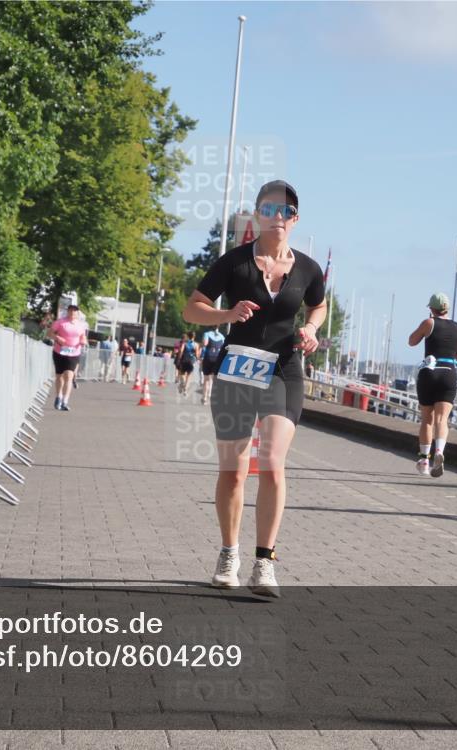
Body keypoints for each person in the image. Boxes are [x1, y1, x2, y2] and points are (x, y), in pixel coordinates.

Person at [182, 180, 326, 598]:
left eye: (285, 211)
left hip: (284, 369)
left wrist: (312, 329)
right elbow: (192, 308)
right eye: (269, 209)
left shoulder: (308, 269)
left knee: (273, 463)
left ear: (295, 219)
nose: (277, 217)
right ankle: (230, 553)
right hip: (237, 370)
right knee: (233, 471)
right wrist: (227, 312)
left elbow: (318, 303)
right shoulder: (234, 263)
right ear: (258, 215)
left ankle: (265, 561)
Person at [407, 292, 457, 478]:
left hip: (429, 372)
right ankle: (439, 452)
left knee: (427, 419)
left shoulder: (429, 323)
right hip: (449, 372)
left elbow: (411, 341)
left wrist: (425, 329)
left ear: (432, 309)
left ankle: (424, 460)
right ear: (447, 309)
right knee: (442, 420)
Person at [46, 305, 88, 411]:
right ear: (67, 312)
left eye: (75, 311)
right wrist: (57, 337)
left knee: (69, 376)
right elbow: (49, 333)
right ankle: (58, 396)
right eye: (70, 311)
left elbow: (83, 336)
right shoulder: (60, 322)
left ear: (78, 313)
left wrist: (83, 341)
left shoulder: (81, 325)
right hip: (59, 351)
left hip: (74, 353)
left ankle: (65, 401)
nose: (72, 313)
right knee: (59, 376)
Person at [200, 327, 226, 405]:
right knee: (212, 379)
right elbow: (223, 348)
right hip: (217, 358)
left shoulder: (207, 334)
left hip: (208, 357)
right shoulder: (222, 336)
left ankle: (204, 398)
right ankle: (209, 395)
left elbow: (205, 343)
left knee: (206, 379)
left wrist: (201, 345)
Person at [177, 331, 198, 396]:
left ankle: (182, 383)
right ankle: (185, 390)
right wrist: (196, 359)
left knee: (182, 374)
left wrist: (179, 358)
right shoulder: (196, 345)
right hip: (191, 361)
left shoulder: (185, 343)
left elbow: (181, 351)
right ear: (194, 337)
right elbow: (197, 354)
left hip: (184, 360)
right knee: (188, 377)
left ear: (188, 336)